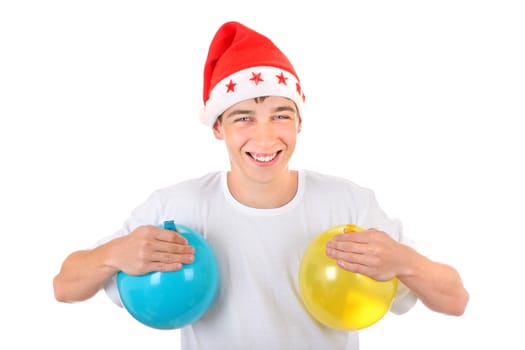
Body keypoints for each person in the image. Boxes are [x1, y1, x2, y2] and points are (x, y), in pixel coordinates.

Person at [53, 21, 469, 349]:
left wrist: (404, 262)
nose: (266, 137)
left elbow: (456, 300)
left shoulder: (349, 204)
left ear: (300, 122)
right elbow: (64, 286)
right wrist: (114, 254)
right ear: (218, 127)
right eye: (244, 117)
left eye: (281, 115)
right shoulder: (175, 206)